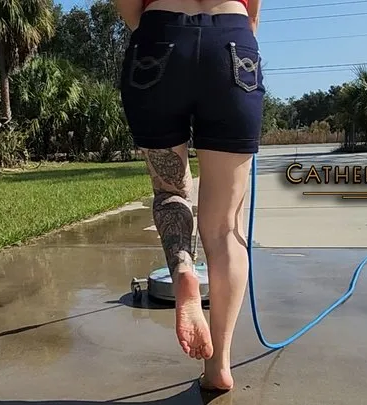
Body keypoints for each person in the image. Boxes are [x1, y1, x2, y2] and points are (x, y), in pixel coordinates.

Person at [114, 0, 264, 392]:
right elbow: (253, 17)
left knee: (170, 191)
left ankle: (183, 270)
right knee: (225, 228)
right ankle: (218, 368)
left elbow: (129, 11)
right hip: (232, 44)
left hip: (159, 40)